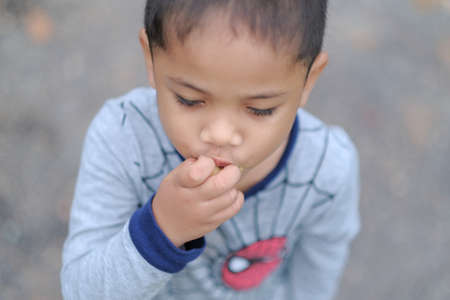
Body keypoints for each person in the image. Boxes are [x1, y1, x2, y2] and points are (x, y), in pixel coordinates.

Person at [61, 0, 360, 299]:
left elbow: (318, 272)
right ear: (151, 57)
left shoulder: (328, 169)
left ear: (309, 80)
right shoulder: (123, 137)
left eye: (260, 109)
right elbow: (80, 291)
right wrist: (161, 230)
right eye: (189, 100)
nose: (220, 134)